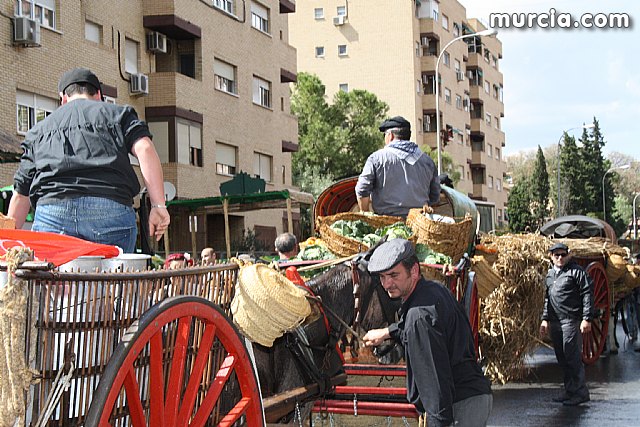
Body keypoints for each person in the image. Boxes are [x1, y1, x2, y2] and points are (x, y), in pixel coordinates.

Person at [7, 67, 169, 253]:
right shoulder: (118, 114)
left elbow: (21, 193)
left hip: (53, 213)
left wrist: (7, 244)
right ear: (98, 94)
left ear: (63, 98)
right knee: (115, 272)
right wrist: (158, 205)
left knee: (53, 272)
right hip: (111, 212)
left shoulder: (38, 131)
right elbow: (145, 148)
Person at [363, 239, 492, 426]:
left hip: (458, 406)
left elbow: (435, 386)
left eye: (394, 275)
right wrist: (387, 332)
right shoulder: (433, 291)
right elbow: (417, 325)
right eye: (382, 277)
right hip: (473, 397)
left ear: (414, 270)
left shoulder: (419, 318)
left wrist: (438, 422)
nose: (387, 283)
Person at [539, 242, 593, 406]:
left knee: (572, 357)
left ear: (568, 255)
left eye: (563, 255)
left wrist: (586, 318)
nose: (560, 258)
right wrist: (545, 319)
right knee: (562, 358)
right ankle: (570, 390)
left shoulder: (576, 272)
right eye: (557, 255)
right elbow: (548, 299)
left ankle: (581, 393)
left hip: (570, 320)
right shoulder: (550, 275)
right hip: (556, 321)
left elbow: (587, 293)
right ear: (551, 256)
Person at [355, 116, 441, 218]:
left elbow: (362, 189)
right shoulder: (428, 161)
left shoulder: (376, 159)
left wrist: (365, 214)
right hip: (419, 222)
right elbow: (435, 195)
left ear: (390, 136)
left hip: (386, 223)